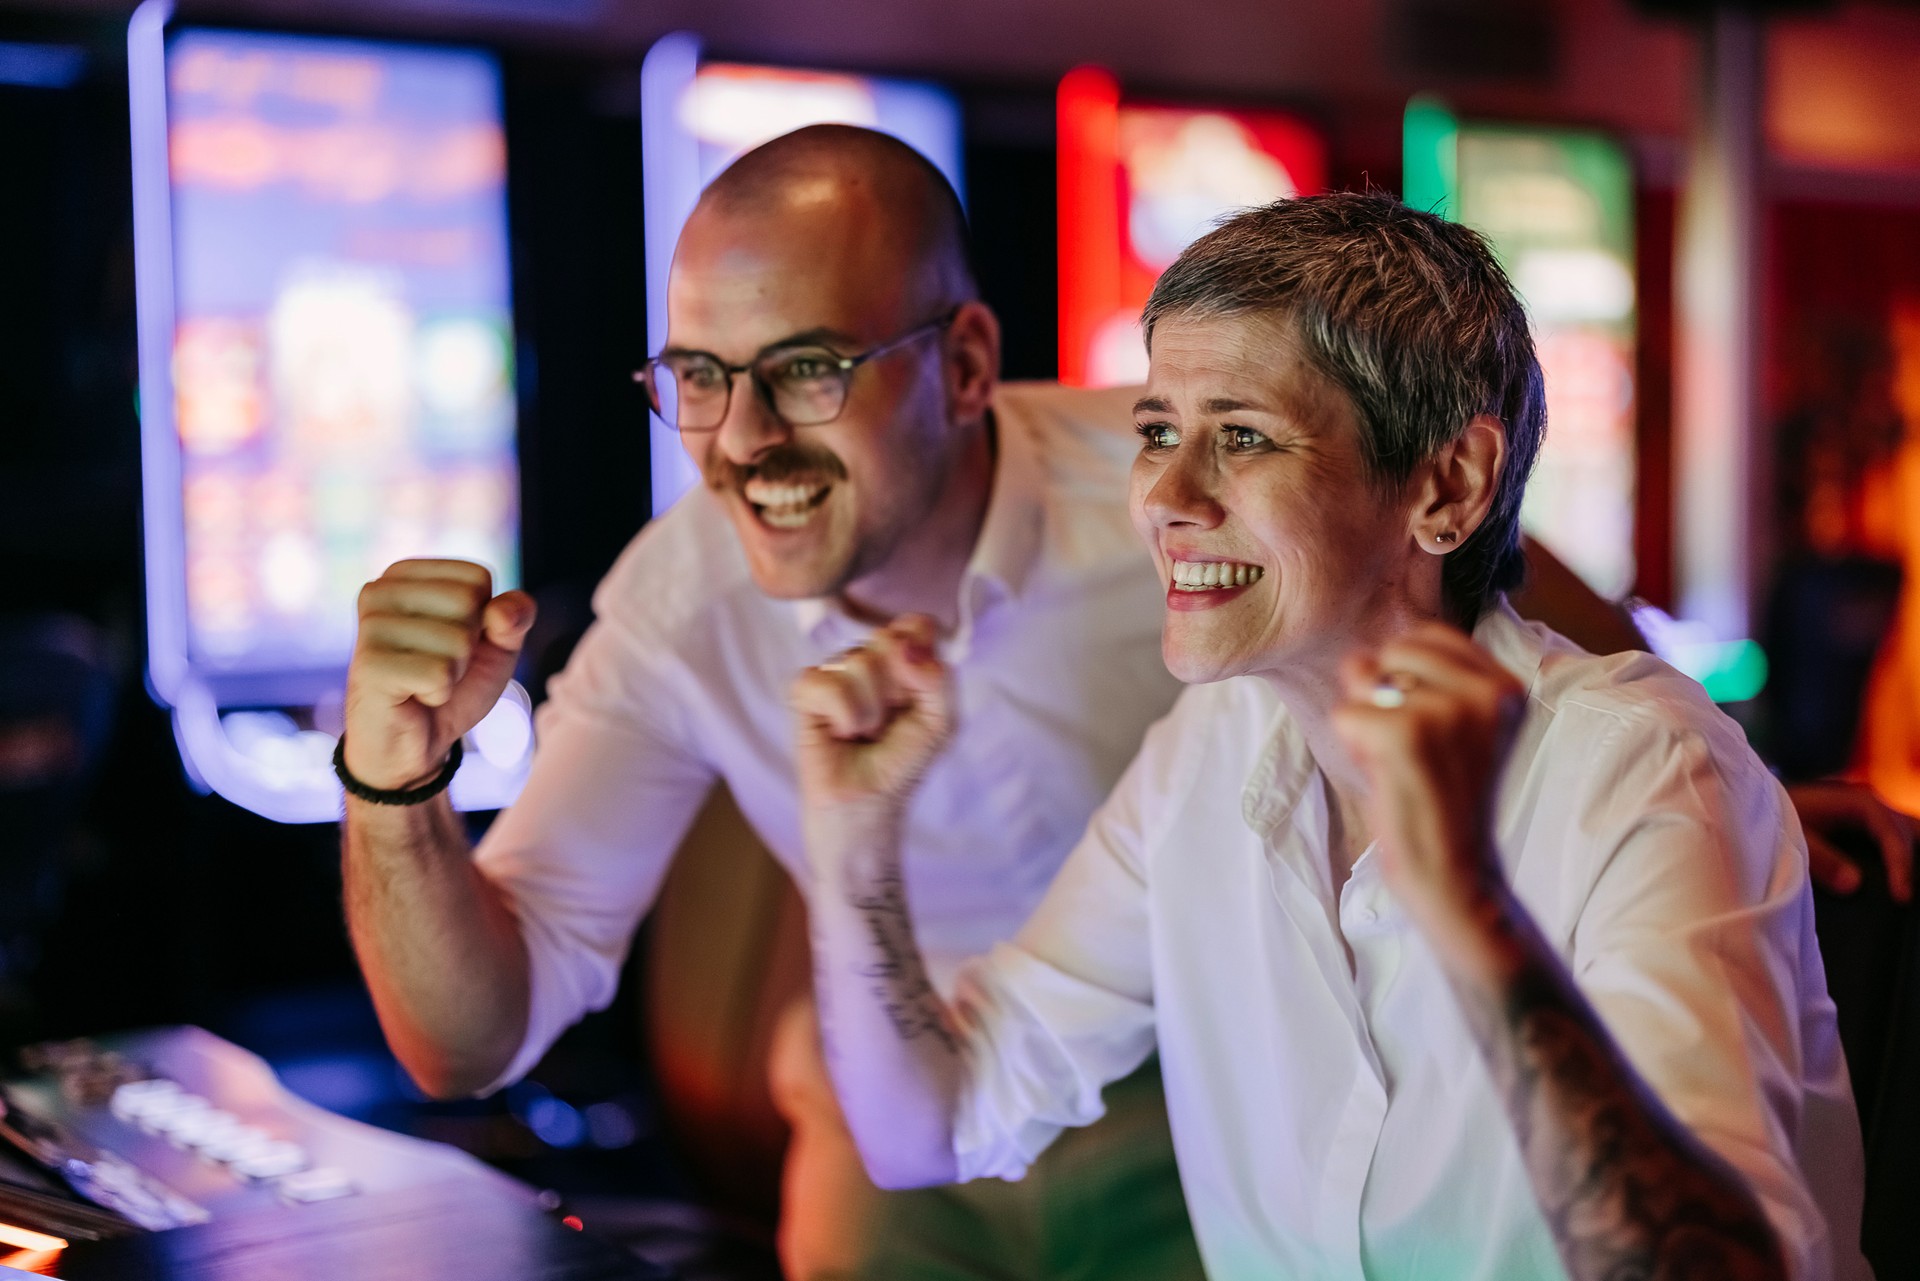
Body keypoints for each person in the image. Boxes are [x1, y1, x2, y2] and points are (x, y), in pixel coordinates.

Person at [793, 194, 1870, 1280]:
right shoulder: (1207, 755)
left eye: (1244, 437)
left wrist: (1470, 909)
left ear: (1448, 488)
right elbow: (926, 1130)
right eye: (1158, 431)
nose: (1165, 495)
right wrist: (854, 841)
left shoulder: (1642, 768)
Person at [338, 125, 1207, 1280]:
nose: (740, 444)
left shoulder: (1182, 499)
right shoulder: (682, 598)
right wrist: (393, 786)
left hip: (1202, 1092)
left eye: (808, 368)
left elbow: (1501, 612)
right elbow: (470, 1044)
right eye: (698, 376)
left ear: (965, 364)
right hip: (884, 1086)